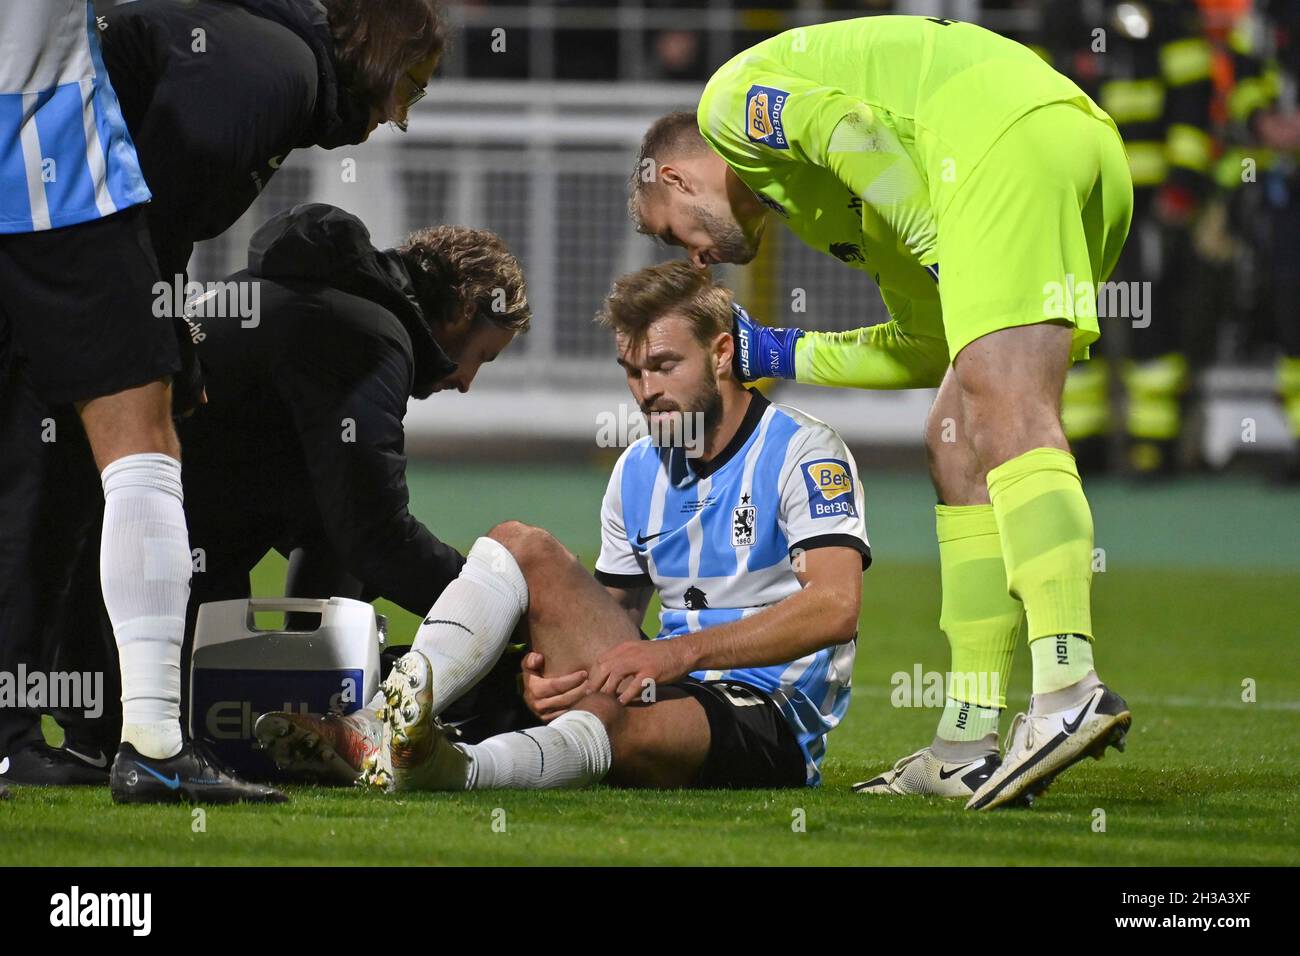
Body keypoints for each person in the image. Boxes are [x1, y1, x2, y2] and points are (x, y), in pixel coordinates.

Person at [630, 14, 1133, 809]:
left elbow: (845, 125)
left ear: (680, 179)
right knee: (957, 439)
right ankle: (967, 739)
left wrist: (936, 239)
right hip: (1068, 148)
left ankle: (1067, 684)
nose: (691, 256)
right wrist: (782, 354)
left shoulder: (729, 105)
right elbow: (927, 347)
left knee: (1007, 405)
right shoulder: (839, 209)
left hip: (1001, 136)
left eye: (672, 232)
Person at [0, 0, 446, 801]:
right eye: (412, 84)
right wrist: (154, 320)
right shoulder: (280, 73)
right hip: (49, 190)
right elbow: (156, 190)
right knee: (120, 463)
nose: (403, 117)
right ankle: (145, 747)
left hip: (34, 185)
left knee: (46, 481)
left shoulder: (266, 59)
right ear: (380, 50)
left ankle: (30, 739)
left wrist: (169, 329)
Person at [257, 261, 871, 791]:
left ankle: (454, 769)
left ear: (721, 354)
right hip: (672, 681)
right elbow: (615, 618)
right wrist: (548, 673)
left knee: (611, 716)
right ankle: (374, 730)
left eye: (663, 366)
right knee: (518, 544)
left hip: (766, 712)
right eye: (631, 371)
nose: (645, 391)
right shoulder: (637, 468)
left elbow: (835, 607)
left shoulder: (804, 450)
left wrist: (676, 654)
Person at [51, 203, 529, 767]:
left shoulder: (296, 294)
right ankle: (314, 705)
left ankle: (315, 698)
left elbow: (322, 511)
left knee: (330, 526)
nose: (468, 382)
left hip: (84, 563)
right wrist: (498, 610)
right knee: (350, 536)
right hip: (119, 574)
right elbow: (377, 537)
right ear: (466, 310)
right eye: (483, 356)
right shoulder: (367, 332)